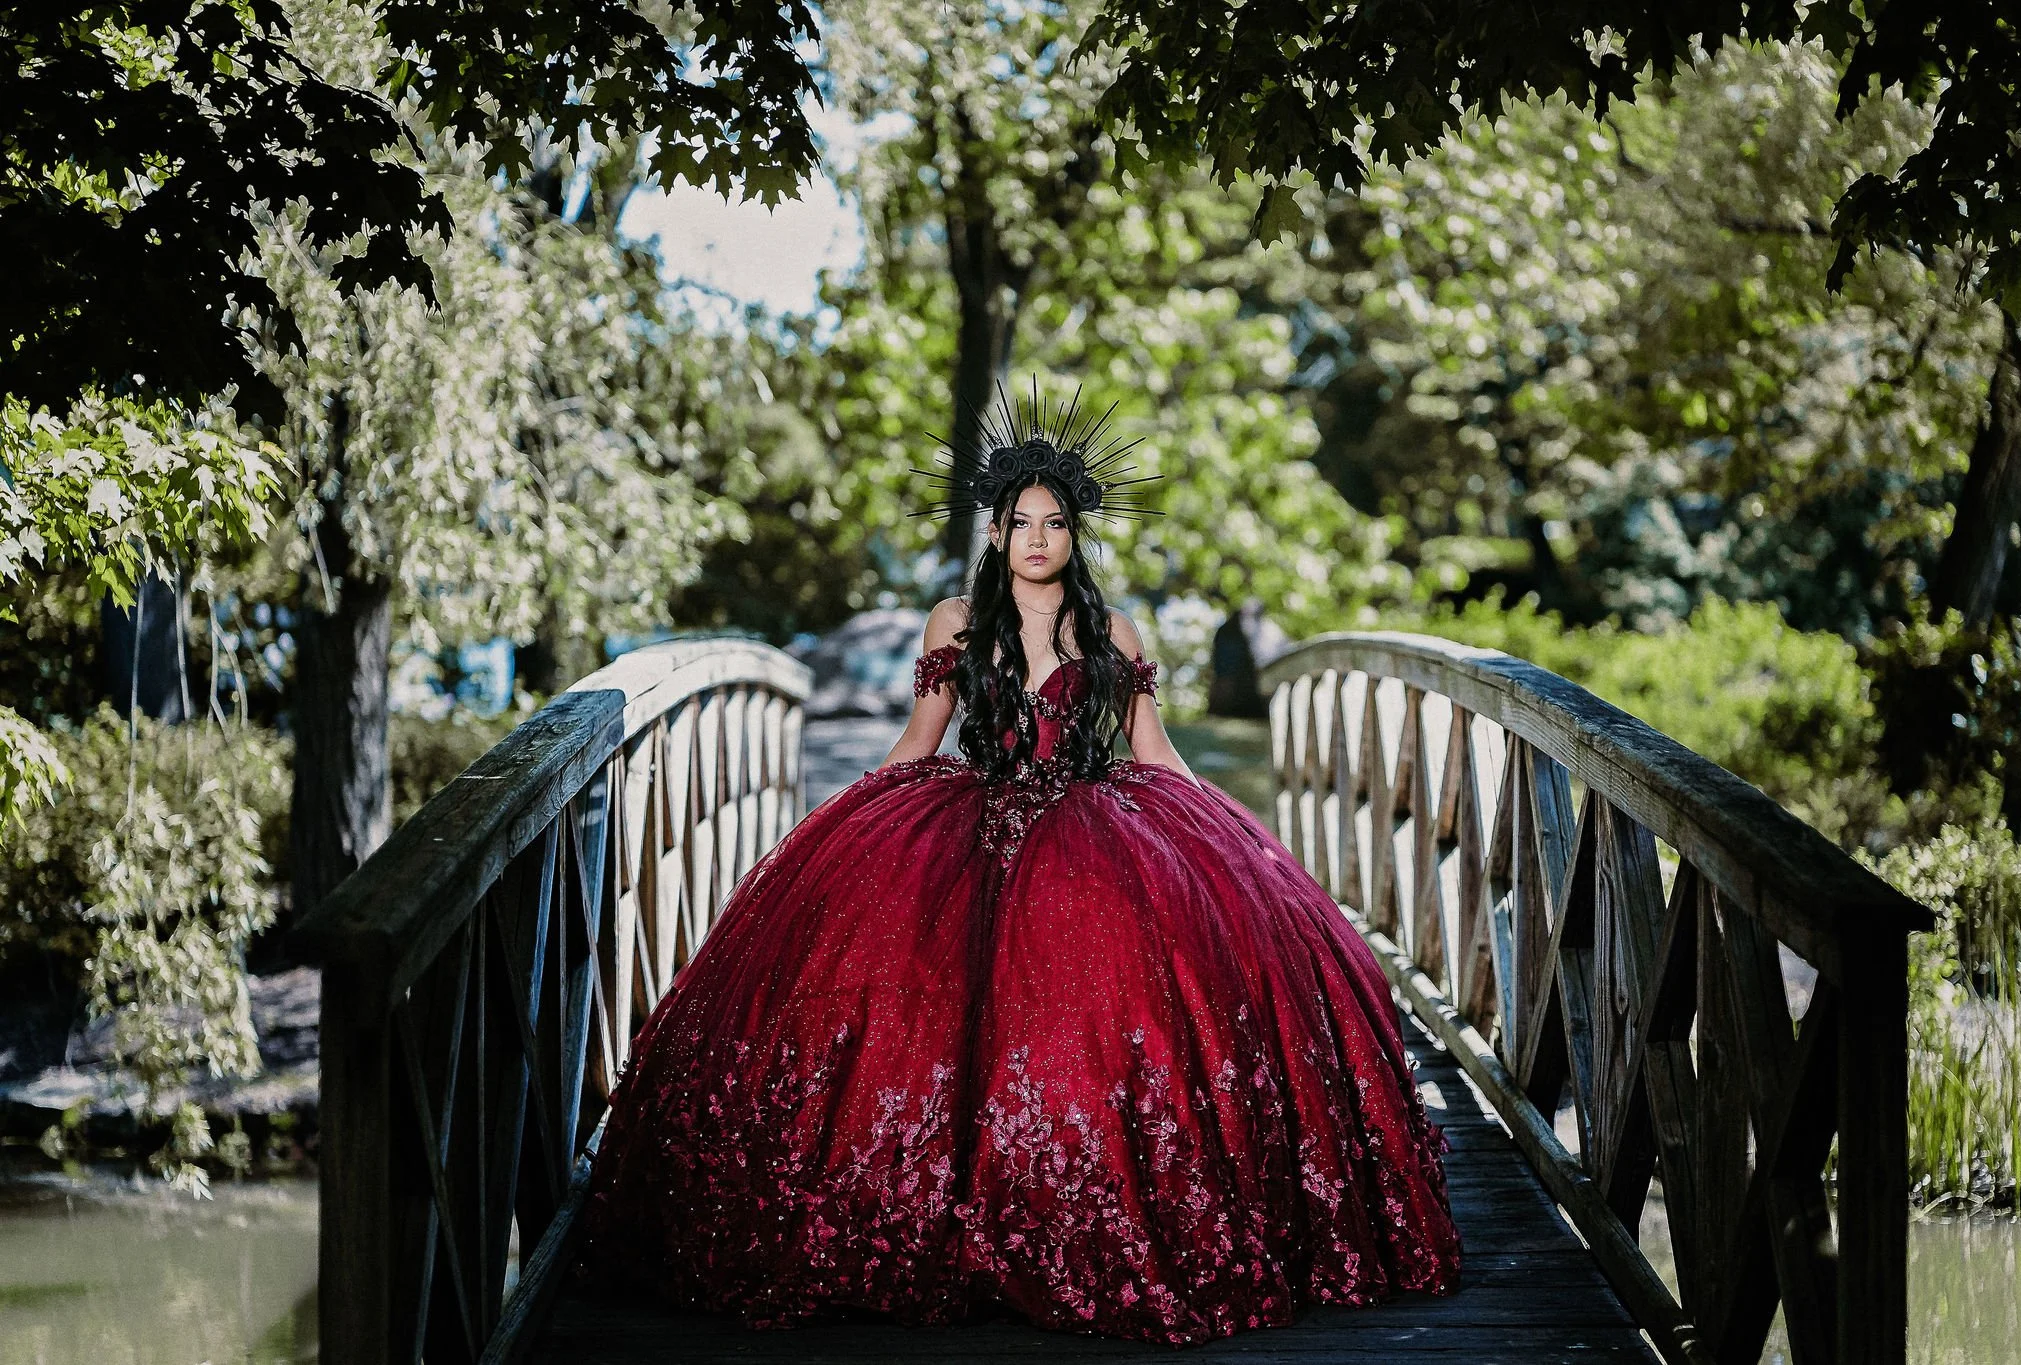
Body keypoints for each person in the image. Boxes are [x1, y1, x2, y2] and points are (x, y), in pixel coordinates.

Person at [576, 403, 1461, 1346]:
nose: (1038, 541)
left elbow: (1152, 752)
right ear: (995, 532)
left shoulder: (1113, 629)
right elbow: (918, 742)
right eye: (1021, 523)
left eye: (1056, 524)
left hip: (1093, 835)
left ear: (1074, 535)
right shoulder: (956, 619)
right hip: (968, 825)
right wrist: (838, 827)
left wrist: (1245, 850)